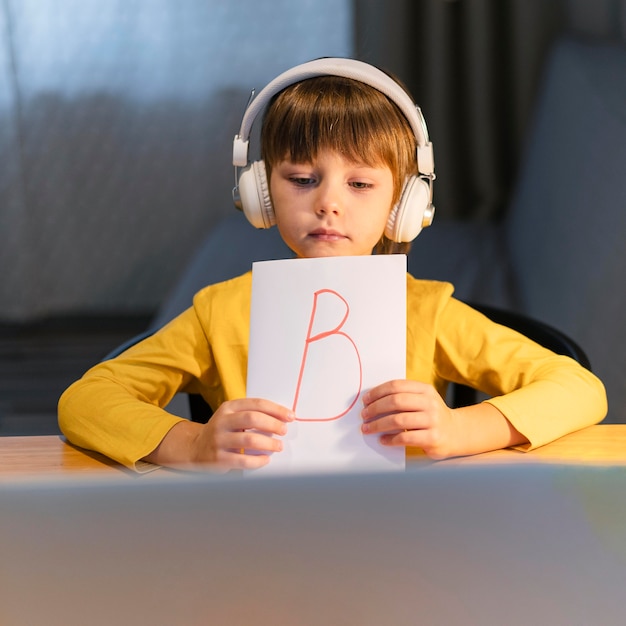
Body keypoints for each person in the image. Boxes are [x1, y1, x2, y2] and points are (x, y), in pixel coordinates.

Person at [58, 58, 607, 472]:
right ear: (260, 194)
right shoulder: (219, 313)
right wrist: (194, 443)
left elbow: (580, 389)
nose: (328, 202)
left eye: (361, 184)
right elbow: (85, 401)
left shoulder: (428, 313)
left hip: (407, 534)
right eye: (301, 180)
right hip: (263, 535)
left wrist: (459, 428)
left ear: (404, 205)